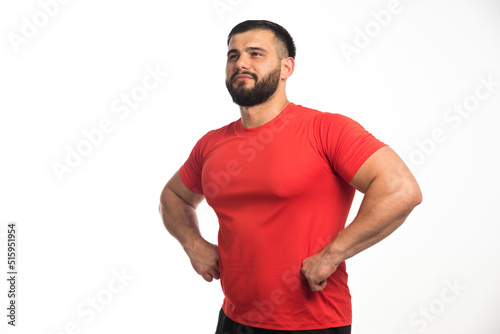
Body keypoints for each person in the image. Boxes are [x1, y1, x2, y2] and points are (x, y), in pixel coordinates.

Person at [158, 20, 422, 334]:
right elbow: (173, 197)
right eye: (233, 55)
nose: (241, 62)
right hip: (234, 320)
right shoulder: (211, 144)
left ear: (287, 68)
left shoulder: (326, 130)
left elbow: (400, 189)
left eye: (255, 54)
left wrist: (332, 255)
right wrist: (193, 244)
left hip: (312, 323)